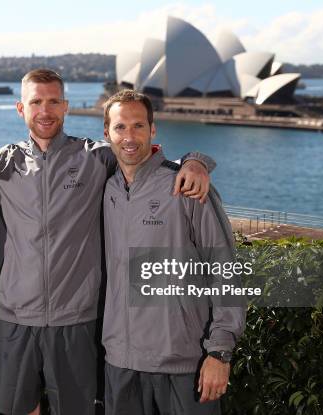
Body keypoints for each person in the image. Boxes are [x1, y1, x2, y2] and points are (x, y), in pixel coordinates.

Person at [0, 69, 215, 415]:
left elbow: (140, 153)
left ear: (65, 106)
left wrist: (197, 161)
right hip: (15, 320)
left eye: (53, 101)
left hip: (76, 321)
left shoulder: (95, 158)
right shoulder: (1, 164)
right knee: (13, 409)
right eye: (36, 101)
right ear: (20, 108)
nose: (45, 110)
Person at [101, 89, 246, 415]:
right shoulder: (107, 188)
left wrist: (220, 352)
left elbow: (225, 269)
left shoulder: (186, 186)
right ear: (106, 134)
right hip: (121, 363)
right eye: (120, 127)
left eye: (138, 126)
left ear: (153, 130)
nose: (129, 137)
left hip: (184, 364)